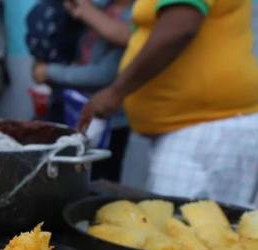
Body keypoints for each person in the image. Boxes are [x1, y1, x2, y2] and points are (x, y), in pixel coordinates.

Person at [78, 0, 258, 206]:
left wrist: (115, 93)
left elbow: (180, 27)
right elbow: (146, 34)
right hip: (201, 129)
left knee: (180, 231)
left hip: (202, 131)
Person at [32, 0, 133, 182]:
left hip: (108, 121)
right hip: (76, 111)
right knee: (65, 177)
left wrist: (49, 71)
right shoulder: (101, 7)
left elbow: (105, 74)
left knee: (98, 181)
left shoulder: (131, 17)